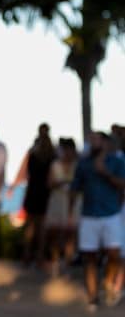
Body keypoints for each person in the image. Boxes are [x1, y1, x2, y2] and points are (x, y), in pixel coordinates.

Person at [70, 131, 125, 311]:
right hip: (89, 215)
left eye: (96, 139)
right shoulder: (84, 164)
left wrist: (105, 173)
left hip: (111, 214)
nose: (92, 142)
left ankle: (109, 281)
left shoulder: (116, 162)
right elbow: (75, 188)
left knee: (114, 253)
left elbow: (122, 185)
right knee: (89, 256)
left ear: (105, 143)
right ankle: (93, 297)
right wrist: (71, 213)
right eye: (90, 140)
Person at [10, 122, 57, 268]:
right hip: (44, 192)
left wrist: (13, 187)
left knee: (30, 226)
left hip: (33, 191)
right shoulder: (51, 151)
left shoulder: (34, 151)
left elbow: (23, 171)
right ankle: (39, 258)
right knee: (41, 227)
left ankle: (27, 256)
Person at [44, 137, 80, 275]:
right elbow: (49, 184)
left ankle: (67, 262)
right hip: (58, 201)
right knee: (55, 233)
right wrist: (61, 182)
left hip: (73, 201)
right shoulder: (55, 165)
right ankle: (56, 261)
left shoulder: (77, 165)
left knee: (70, 234)